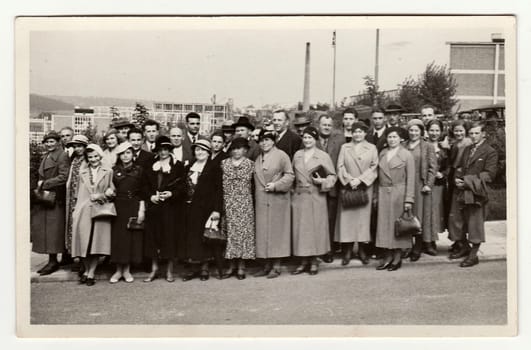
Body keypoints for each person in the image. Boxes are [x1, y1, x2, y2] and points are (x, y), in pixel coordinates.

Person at [449, 122, 497, 267]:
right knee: (457, 221)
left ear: (483, 134)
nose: (474, 136)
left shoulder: (490, 152)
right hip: (461, 191)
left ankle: (473, 255)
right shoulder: (467, 149)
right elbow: (459, 168)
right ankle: (464, 247)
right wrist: (457, 179)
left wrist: (467, 182)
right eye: (471, 133)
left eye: (477, 133)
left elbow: (489, 175)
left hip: (477, 192)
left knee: (475, 223)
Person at [291, 127, 337, 275]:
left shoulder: (322, 156)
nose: (307, 140)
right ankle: (303, 261)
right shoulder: (297, 155)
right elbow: (291, 174)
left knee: (315, 230)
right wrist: (292, 192)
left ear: (315, 139)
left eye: (310, 138)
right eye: (305, 138)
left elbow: (332, 176)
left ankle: (314, 261)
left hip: (315, 196)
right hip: (299, 197)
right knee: (301, 232)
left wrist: (322, 180)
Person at [335, 122, 378, 265]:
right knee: (347, 220)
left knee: (362, 221)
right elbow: (340, 166)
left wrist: (360, 180)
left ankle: (362, 250)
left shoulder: (372, 148)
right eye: (355, 131)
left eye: (360, 131)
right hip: (348, 187)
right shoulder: (345, 147)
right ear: (351, 133)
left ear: (365, 133)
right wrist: (349, 180)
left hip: (364, 187)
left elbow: (374, 167)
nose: (357, 134)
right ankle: (347, 251)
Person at [253, 129, 295, 278]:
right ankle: (266, 265)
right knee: (263, 233)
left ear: (273, 141)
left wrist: (276, 185)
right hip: (262, 201)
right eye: (262, 140)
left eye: (268, 140)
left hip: (277, 200)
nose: (264, 143)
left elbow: (290, 175)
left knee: (277, 233)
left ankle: (276, 266)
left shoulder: (282, 155)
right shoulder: (258, 158)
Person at [71, 144, 114, 286]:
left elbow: (112, 191)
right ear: (87, 158)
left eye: (96, 156)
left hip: (100, 210)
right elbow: (77, 194)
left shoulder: (108, 171)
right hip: (83, 210)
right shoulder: (82, 173)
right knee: (83, 243)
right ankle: (86, 270)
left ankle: (91, 273)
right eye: (90, 157)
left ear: (100, 156)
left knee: (96, 244)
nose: (93, 159)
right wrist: (75, 210)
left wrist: (102, 195)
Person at [143, 136, 185, 282]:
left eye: (166, 149)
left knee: (169, 237)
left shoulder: (178, 166)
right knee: (153, 238)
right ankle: (154, 269)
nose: (163, 152)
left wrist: (171, 194)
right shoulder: (150, 165)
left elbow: (183, 187)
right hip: (154, 207)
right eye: (160, 149)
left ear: (170, 150)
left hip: (170, 207)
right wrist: (150, 196)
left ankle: (169, 270)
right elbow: (144, 185)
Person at [180, 139, 223, 281]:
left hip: (206, 208)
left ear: (208, 152)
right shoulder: (189, 167)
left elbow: (218, 190)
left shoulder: (214, 167)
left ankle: (204, 268)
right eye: (197, 150)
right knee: (191, 238)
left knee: (204, 238)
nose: (200, 152)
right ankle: (193, 268)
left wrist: (217, 210)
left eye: (203, 150)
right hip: (188, 208)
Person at [375, 127, 415, 271]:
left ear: (401, 139)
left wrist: (409, 199)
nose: (392, 140)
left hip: (399, 193)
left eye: (395, 137)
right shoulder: (383, 153)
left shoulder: (406, 155)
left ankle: (397, 257)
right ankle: (388, 256)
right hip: (384, 192)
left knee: (398, 227)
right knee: (385, 226)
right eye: (389, 137)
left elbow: (411, 179)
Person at [31, 131, 71, 275]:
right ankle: (53, 259)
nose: (49, 144)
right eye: (47, 142)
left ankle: (53, 261)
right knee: (48, 229)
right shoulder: (46, 156)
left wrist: (44, 184)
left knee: (54, 231)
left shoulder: (62, 156)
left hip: (56, 198)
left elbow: (64, 177)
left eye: (52, 141)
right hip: (47, 198)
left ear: (58, 142)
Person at [109, 141, 146, 283]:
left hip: (133, 204)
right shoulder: (113, 170)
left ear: (132, 154)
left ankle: (127, 270)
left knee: (131, 237)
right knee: (119, 238)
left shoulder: (139, 170)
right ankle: (118, 270)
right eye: (122, 153)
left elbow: (143, 191)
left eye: (128, 153)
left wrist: (141, 209)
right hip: (118, 206)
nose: (125, 156)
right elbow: (110, 187)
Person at [220, 137, 256, 280]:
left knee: (243, 234)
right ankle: (231, 265)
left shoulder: (251, 165)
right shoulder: (223, 164)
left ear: (245, 150)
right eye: (234, 148)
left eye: (239, 148)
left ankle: (241, 265)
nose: (236, 151)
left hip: (244, 203)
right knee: (230, 234)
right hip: (228, 202)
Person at [404, 119, 437, 261]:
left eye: (416, 130)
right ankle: (407, 246)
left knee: (419, 216)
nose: (413, 133)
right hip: (405, 184)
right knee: (406, 215)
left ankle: (417, 247)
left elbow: (432, 167)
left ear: (421, 131)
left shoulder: (427, 146)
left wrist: (428, 184)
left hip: (420, 185)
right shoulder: (403, 145)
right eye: (411, 130)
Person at [315, 114, 345, 263]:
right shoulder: (311, 140)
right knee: (317, 219)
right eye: (323, 124)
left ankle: (330, 249)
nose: (326, 127)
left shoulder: (339, 140)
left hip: (333, 187)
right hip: (315, 187)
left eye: (329, 125)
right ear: (318, 125)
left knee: (331, 219)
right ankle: (317, 248)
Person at [423, 119, 450, 255]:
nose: (434, 133)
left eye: (437, 130)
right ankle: (427, 242)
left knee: (435, 214)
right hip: (426, 185)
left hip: (438, 186)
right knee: (426, 214)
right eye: (432, 130)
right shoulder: (423, 146)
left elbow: (449, 167)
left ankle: (432, 240)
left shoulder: (444, 149)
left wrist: (443, 174)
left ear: (441, 132)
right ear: (427, 131)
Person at [446, 120, 473, 255]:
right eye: (456, 130)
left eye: (461, 130)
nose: (458, 133)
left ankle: (463, 244)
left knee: (458, 213)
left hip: (461, 178)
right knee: (454, 212)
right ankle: (458, 241)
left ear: (465, 131)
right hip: (454, 177)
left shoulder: (467, 143)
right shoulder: (455, 143)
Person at [64, 135, 89, 269]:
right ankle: (77, 258)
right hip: (72, 198)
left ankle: (85, 262)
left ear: (85, 146)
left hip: (83, 197)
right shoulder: (73, 160)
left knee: (82, 228)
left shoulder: (88, 160)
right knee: (73, 228)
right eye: (75, 146)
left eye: (80, 146)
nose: (77, 149)